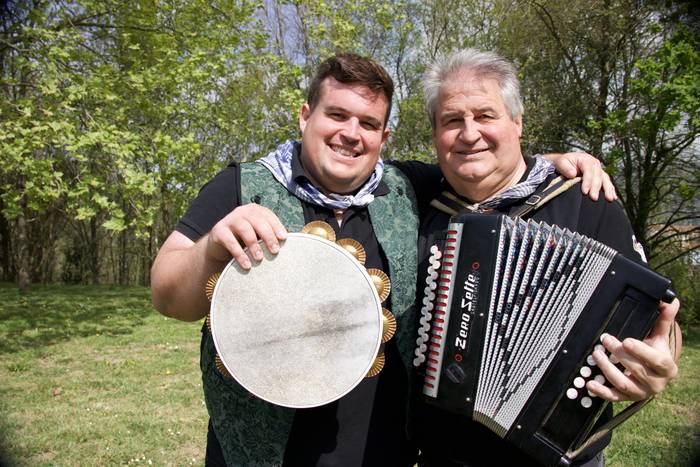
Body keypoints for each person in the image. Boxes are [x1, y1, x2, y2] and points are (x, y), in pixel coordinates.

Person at [150, 53, 615, 467]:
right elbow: (166, 295)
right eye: (336, 115)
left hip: (387, 451)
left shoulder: (408, 187)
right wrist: (212, 245)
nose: (351, 134)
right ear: (305, 116)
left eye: (368, 124)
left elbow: (486, 162)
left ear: (384, 135)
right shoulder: (242, 186)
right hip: (263, 453)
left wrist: (556, 161)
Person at [407, 48, 681, 467]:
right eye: (451, 120)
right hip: (445, 456)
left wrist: (662, 358)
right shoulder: (419, 203)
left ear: (517, 123)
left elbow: (654, 314)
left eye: (485, 116)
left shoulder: (587, 200)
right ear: (435, 135)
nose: (469, 133)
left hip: (558, 450)